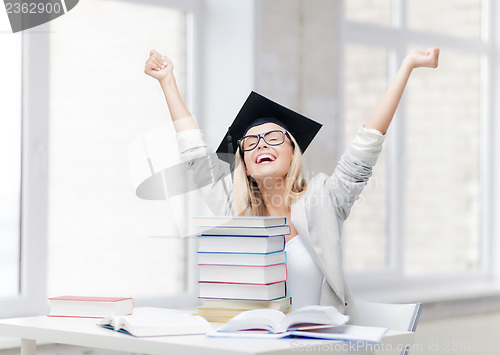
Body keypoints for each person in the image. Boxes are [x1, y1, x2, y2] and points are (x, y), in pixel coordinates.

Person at [144, 48, 439, 319]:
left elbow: (365, 149)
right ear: (244, 163)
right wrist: (167, 81)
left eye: (273, 138)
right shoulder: (235, 208)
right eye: (251, 142)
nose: (262, 145)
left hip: (319, 347)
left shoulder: (323, 199)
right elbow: (196, 157)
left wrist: (407, 66)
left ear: (292, 151)